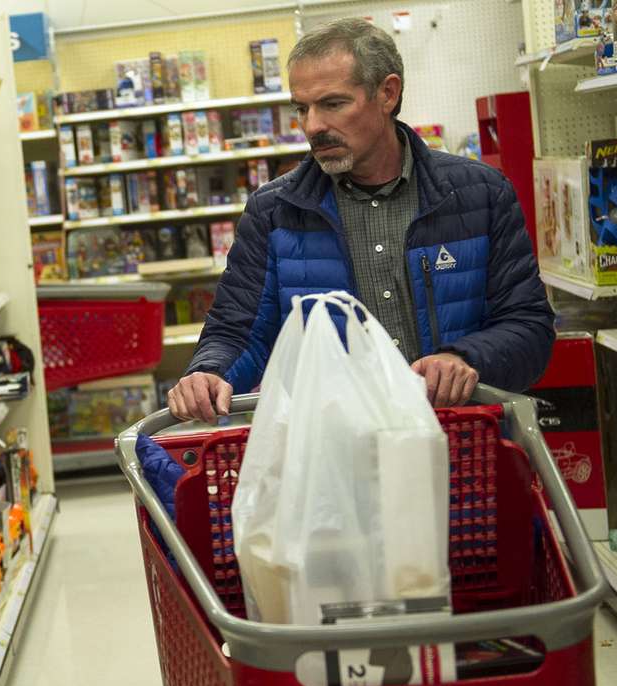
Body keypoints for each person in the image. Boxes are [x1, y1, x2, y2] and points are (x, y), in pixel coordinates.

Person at [168, 18, 554, 422]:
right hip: (337, 459)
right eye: (302, 108)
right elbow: (237, 331)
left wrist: (465, 358)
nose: (313, 125)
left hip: (465, 445)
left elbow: (529, 328)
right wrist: (208, 372)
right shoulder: (274, 212)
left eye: (333, 104)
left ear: (387, 93)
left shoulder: (479, 195)